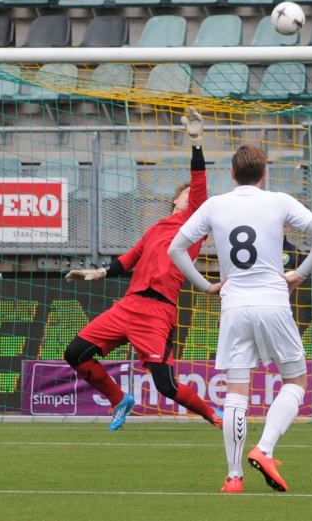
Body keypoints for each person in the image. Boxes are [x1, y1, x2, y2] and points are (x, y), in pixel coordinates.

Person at [168, 145, 312, 493]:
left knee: (235, 393)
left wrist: (205, 285)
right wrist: (299, 273)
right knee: (295, 382)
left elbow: (176, 249)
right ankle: (265, 448)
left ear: (231, 174)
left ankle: (233, 477)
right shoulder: (279, 201)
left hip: (234, 306)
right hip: (273, 301)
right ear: (264, 174)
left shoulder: (215, 205)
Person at [64, 108, 222, 431]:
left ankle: (214, 416)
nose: (194, 196)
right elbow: (128, 260)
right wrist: (99, 272)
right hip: (129, 305)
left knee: (166, 385)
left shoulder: (193, 225)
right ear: (176, 199)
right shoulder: (156, 229)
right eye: (188, 193)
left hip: (157, 312)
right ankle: (118, 398)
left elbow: (200, 181)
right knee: (75, 353)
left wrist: (196, 142)